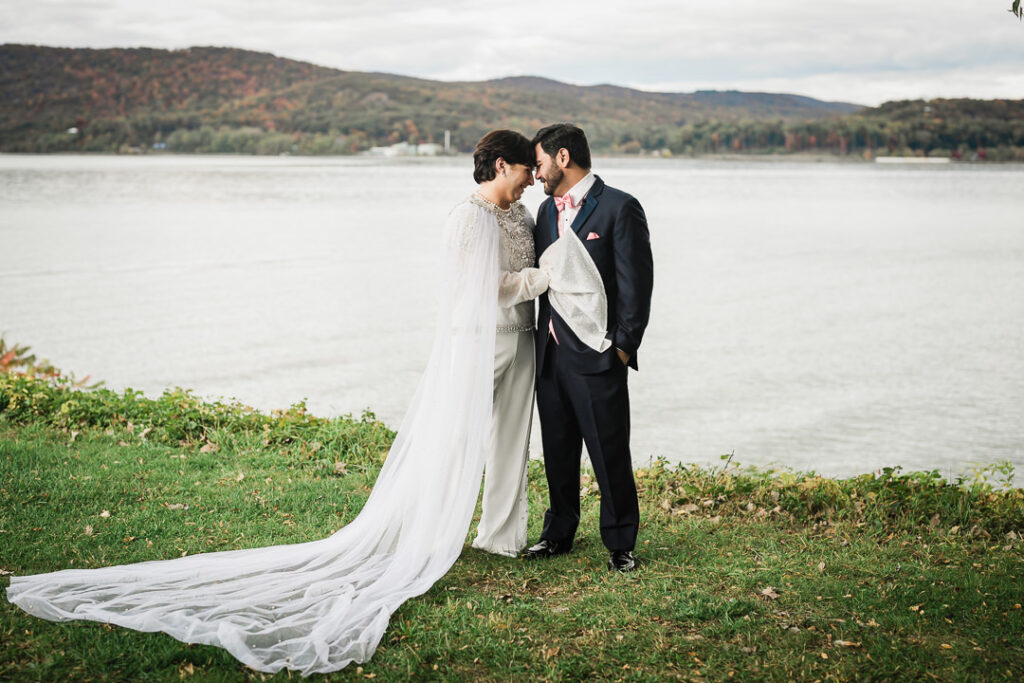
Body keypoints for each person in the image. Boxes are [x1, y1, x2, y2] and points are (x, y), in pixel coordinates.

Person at [6, 130, 550, 675]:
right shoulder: (466, 218)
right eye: (526, 168)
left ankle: (501, 537)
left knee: (510, 442)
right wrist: (541, 279)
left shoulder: (521, 217)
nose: (532, 178)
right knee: (453, 440)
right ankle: (429, 535)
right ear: (500, 165)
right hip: (475, 338)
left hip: (520, 336)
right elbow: (474, 286)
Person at [523, 123, 654, 573]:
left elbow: (636, 285)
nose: (536, 173)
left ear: (563, 158)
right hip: (551, 353)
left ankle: (620, 543)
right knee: (558, 448)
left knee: (609, 450)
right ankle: (558, 533)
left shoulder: (620, 207)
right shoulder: (543, 213)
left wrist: (622, 346)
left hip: (599, 354)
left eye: (539, 163)